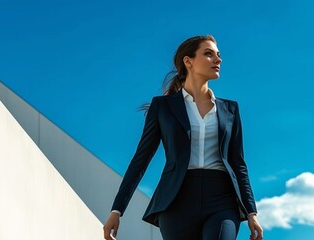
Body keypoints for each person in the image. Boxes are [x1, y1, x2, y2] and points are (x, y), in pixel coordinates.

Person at [102, 35, 263, 240]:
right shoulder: (163, 107)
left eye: (218, 55)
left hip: (222, 199)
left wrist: (251, 212)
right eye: (208, 54)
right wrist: (117, 210)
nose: (218, 60)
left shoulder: (230, 109)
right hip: (177, 200)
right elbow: (140, 160)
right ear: (188, 61)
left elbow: (238, 163)